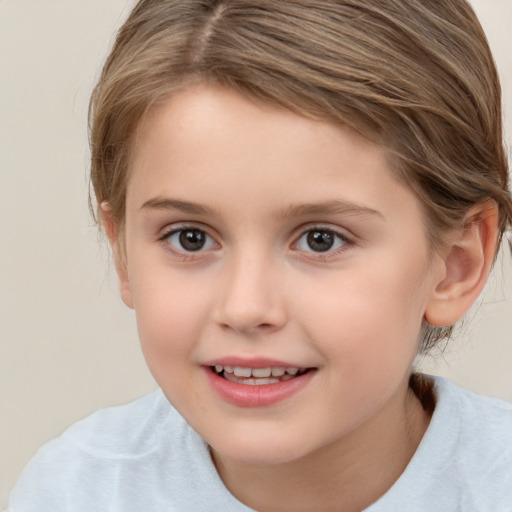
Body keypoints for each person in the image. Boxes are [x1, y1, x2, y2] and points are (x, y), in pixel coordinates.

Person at [5, 1, 512, 511]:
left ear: (455, 263)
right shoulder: (74, 494)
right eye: (190, 238)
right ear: (122, 253)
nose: (246, 308)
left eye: (321, 239)